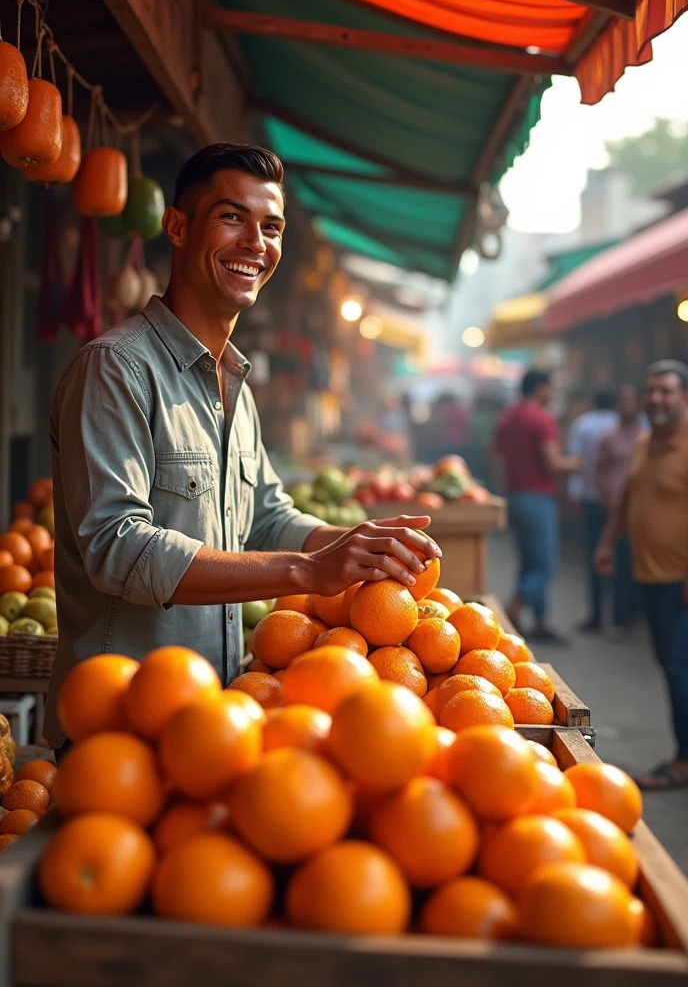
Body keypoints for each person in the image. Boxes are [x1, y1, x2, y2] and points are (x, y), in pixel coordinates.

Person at [44, 143, 440, 754]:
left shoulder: (234, 387)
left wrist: (360, 543)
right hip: (123, 733)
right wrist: (306, 570)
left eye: (272, 227)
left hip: (214, 726)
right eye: (232, 217)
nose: (256, 243)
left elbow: (267, 516)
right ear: (177, 227)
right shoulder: (116, 370)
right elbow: (116, 547)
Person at [595, 360, 688, 789]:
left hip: (681, 580)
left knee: (677, 664)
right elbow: (627, 499)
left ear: (683, 397)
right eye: (652, 391)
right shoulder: (644, 442)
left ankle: (684, 760)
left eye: (666, 391)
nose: (657, 399)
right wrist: (607, 542)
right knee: (669, 665)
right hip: (649, 576)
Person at [491, 370, 581, 644]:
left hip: (515, 496)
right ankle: (512, 608)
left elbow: (493, 456)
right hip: (538, 499)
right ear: (541, 388)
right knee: (546, 565)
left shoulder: (507, 417)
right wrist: (580, 464)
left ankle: (541, 621)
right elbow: (553, 463)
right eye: (550, 389)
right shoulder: (541, 418)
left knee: (530, 562)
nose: (551, 394)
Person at [566, 389, 619, 632]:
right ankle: (620, 617)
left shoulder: (584, 423)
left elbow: (576, 461)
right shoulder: (624, 424)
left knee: (595, 556)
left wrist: (573, 495)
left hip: (591, 500)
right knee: (621, 559)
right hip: (620, 504)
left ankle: (597, 615)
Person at [596, 386, 646, 636]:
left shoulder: (646, 435)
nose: (627, 404)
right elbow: (600, 469)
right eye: (622, 400)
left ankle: (635, 614)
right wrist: (607, 497)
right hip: (613, 508)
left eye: (631, 400)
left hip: (641, 512)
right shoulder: (609, 436)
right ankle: (616, 617)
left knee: (635, 564)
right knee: (615, 563)